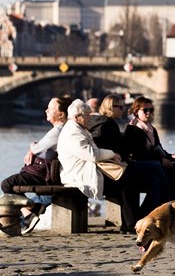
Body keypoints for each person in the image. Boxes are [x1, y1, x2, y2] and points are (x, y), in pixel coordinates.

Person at [58, 99, 149, 234]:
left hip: (86, 170)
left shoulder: (78, 128)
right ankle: (131, 223)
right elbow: (91, 154)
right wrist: (112, 154)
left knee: (127, 177)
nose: (90, 119)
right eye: (87, 116)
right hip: (79, 175)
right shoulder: (73, 132)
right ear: (77, 117)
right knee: (125, 180)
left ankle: (131, 221)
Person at [86, 94, 173, 229]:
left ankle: (143, 217)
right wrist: (128, 139)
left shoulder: (103, 122)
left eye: (123, 107)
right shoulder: (107, 124)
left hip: (112, 166)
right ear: (110, 107)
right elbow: (118, 149)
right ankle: (171, 199)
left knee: (154, 179)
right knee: (155, 166)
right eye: (119, 107)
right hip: (113, 169)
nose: (123, 110)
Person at [0, 95, 72, 234]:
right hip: (46, 173)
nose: (46, 110)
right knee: (34, 200)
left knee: (7, 185)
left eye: (50, 109)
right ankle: (29, 214)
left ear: (61, 114)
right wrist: (33, 149)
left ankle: (28, 216)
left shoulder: (57, 131)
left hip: (42, 174)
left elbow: (37, 147)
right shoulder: (62, 130)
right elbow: (39, 148)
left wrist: (32, 147)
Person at [123, 96, 175, 200]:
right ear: (136, 112)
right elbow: (138, 154)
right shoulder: (133, 129)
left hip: (156, 164)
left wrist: (170, 156)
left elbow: (159, 149)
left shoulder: (151, 129)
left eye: (151, 110)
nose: (149, 113)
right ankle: (170, 200)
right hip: (144, 167)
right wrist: (161, 160)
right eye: (145, 110)